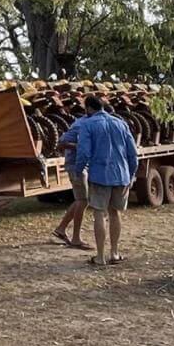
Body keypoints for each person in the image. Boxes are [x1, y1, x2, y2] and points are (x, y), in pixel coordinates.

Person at [75, 95, 138, 267]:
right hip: (121, 175)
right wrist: (131, 173)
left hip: (100, 174)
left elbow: (84, 152)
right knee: (115, 213)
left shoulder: (87, 125)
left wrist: (78, 170)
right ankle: (115, 253)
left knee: (98, 213)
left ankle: (100, 256)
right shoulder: (120, 123)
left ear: (88, 108)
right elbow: (133, 154)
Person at [52, 112, 92, 250]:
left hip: (81, 165)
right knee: (83, 200)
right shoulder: (81, 124)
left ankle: (61, 229)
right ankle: (76, 239)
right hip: (76, 165)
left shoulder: (87, 123)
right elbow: (62, 142)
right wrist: (82, 147)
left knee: (81, 200)